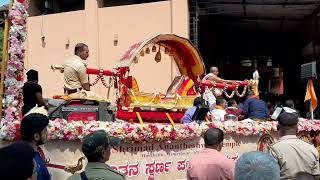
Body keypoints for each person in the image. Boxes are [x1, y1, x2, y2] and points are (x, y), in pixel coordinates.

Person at [270, 112, 320, 179]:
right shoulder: (311, 148)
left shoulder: (275, 149)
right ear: (297, 129)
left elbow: (272, 176)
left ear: (278, 128)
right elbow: (316, 175)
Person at [20, 108, 51, 180]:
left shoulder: (36, 152)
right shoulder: (28, 160)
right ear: (36, 136)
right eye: (45, 131)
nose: (47, 133)